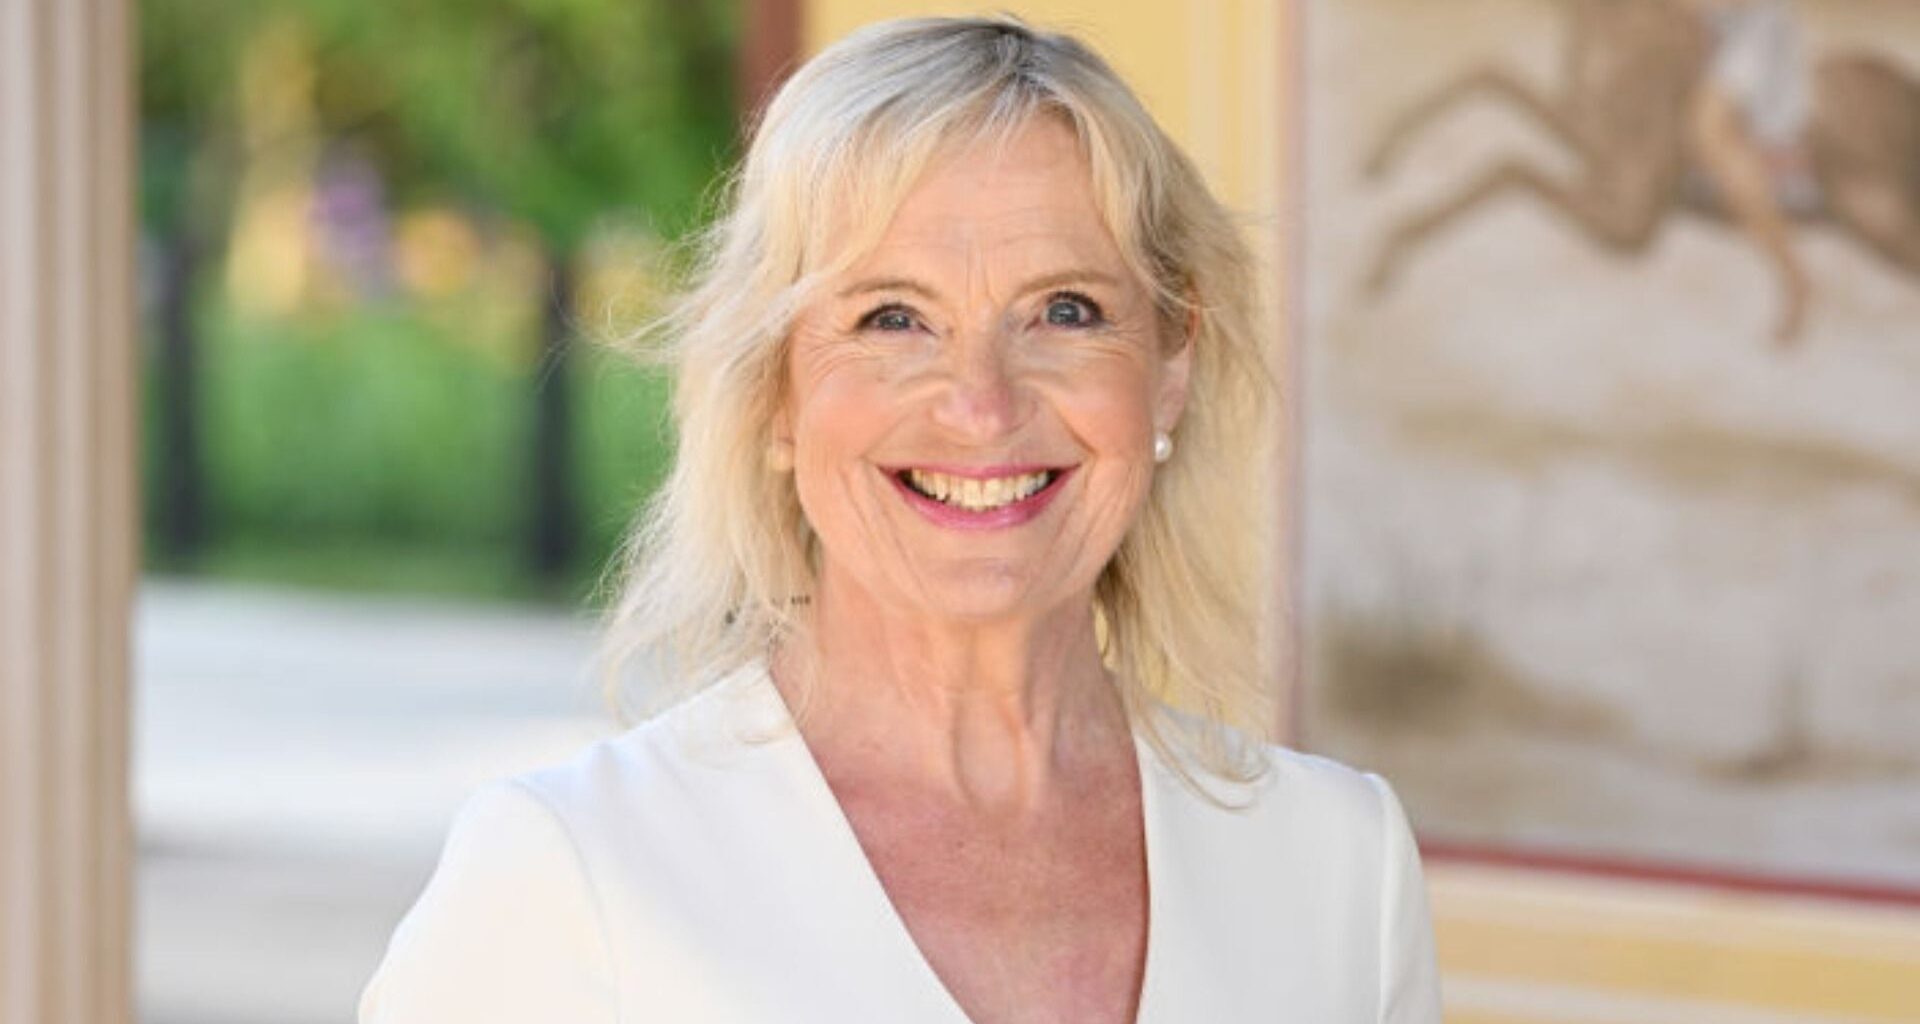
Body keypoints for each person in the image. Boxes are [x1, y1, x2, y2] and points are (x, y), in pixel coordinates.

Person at [358, 15, 1441, 1023]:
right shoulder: (571, 873)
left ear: (1171, 365)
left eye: (1067, 310)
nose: (982, 402)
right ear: (773, 394)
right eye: (892, 317)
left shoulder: (1342, 865)